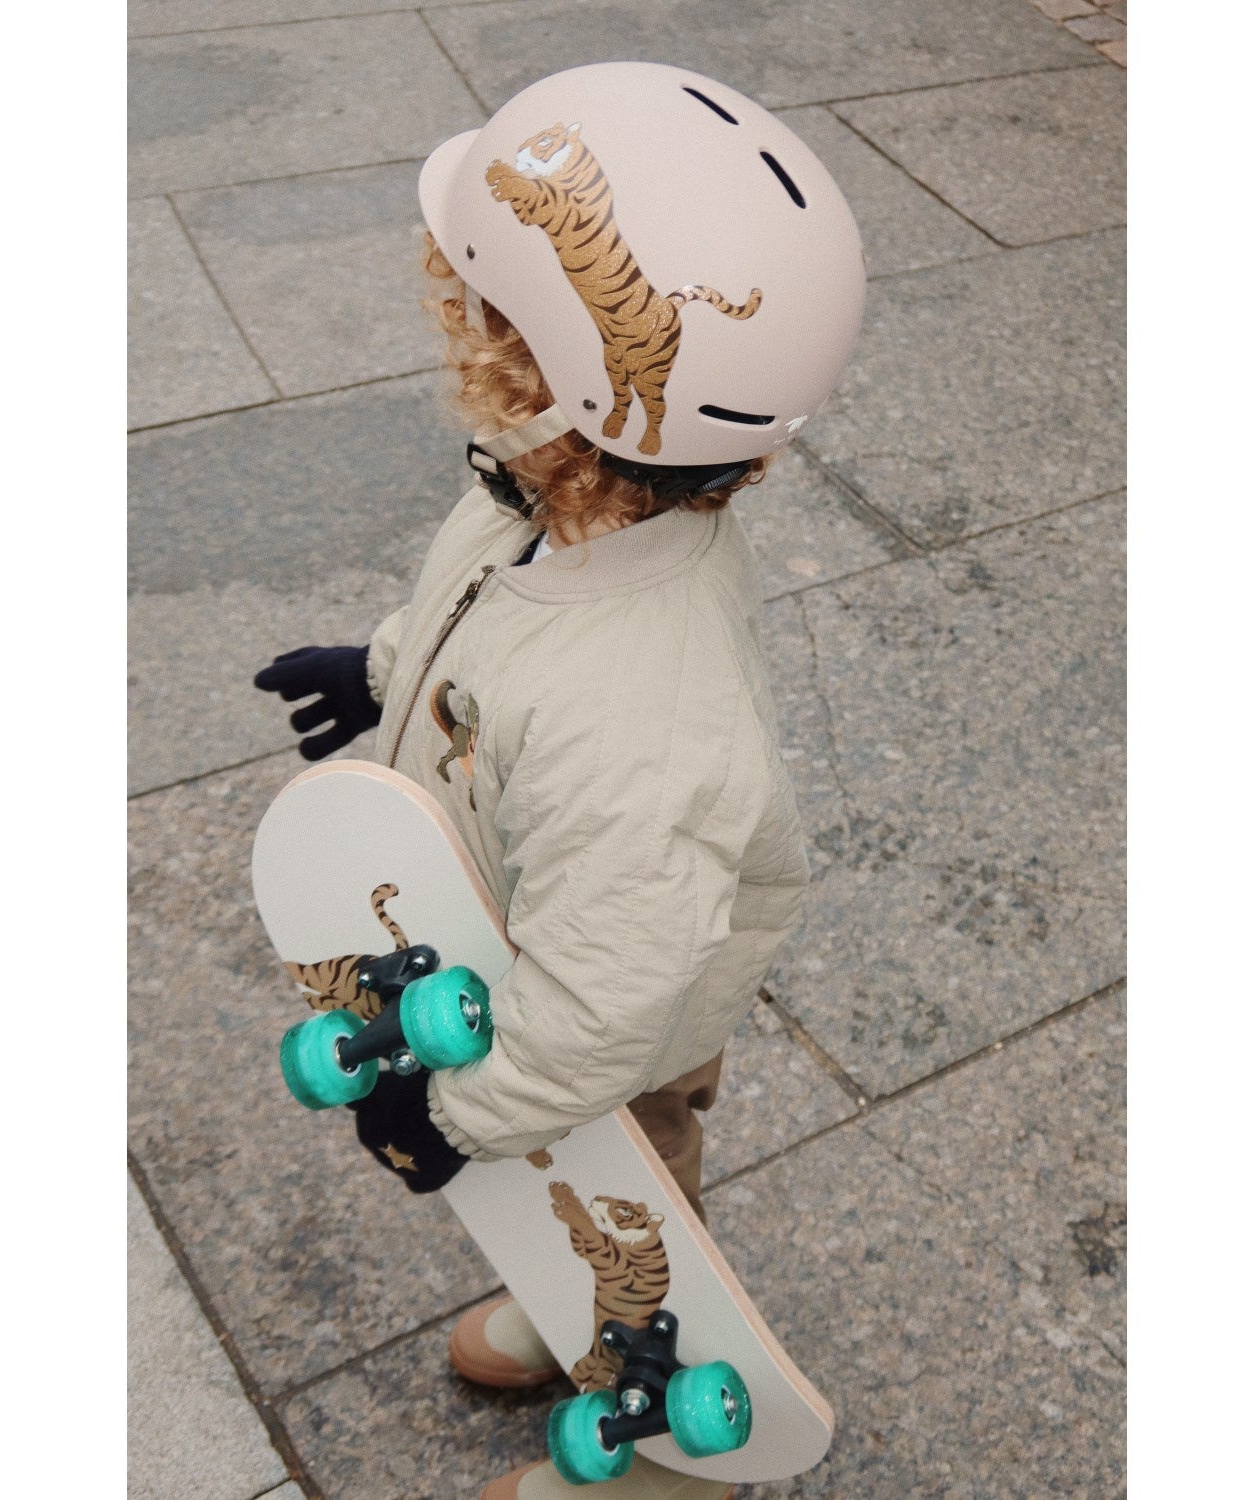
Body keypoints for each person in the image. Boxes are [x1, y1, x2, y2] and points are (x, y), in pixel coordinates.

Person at [255, 61, 865, 1500]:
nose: (460, 331)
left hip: (613, 1023)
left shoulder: (638, 723)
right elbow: (489, 620)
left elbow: (602, 1005)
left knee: (623, 1178)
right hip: (544, 938)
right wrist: (388, 668)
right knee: (568, 1185)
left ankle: (666, 1454)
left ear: (553, 381)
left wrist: (457, 1116)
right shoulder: (558, 498)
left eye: (483, 316)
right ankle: (569, 1292)